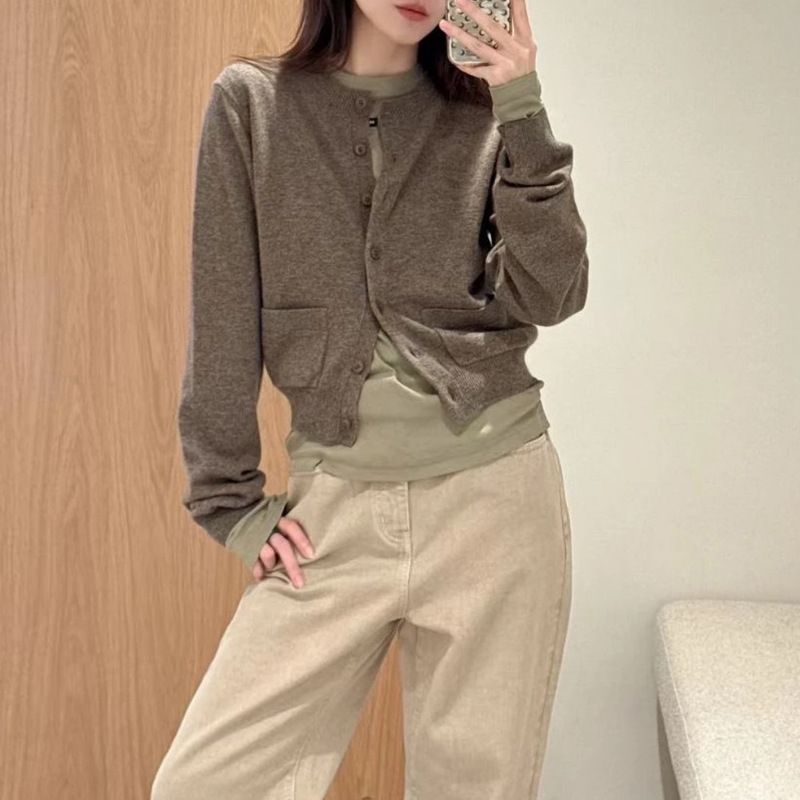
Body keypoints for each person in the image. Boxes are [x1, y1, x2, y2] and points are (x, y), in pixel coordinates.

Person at [152, 0, 588, 797]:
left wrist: (521, 106)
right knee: (204, 783)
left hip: (496, 509)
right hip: (333, 516)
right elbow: (222, 314)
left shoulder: (485, 115)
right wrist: (229, 503)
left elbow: (552, 293)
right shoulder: (252, 105)